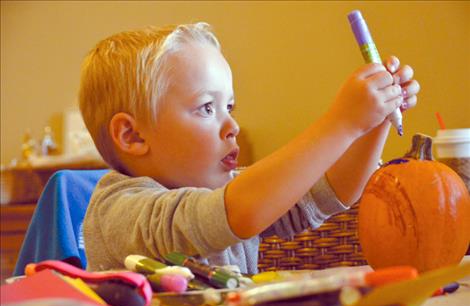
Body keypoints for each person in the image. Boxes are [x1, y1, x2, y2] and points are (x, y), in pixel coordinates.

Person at [79, 23, 420, 273]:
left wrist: (374, 120)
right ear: (132, 136)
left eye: (230, 107)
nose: (233, 127)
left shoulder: (227, 191)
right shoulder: (120, 211)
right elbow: (234, 213)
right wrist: (343, 122)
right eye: (207, 108)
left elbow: (329, 192)